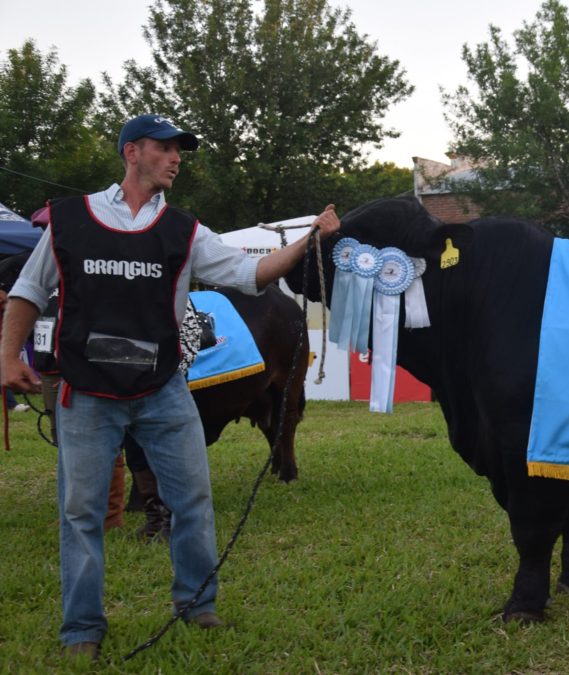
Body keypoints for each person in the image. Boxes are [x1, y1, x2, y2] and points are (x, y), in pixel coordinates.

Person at [0, 113, 341, 661]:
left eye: (180, 149)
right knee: (82, 511)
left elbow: (251, 274)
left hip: (163, 390)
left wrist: (308, 239)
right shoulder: (69, 220)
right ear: (132, 152)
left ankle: (197, 604)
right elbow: (27, 291)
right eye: (166, 148)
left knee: (192, 499)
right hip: (86, 392)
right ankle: (81, 629)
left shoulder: (185, 230)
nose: (177, 157)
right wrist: (5, 358)